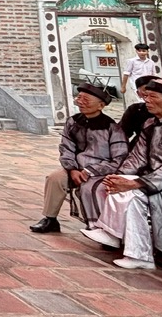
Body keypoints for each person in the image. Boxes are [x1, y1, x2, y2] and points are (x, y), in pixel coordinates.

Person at [82, 79, 162, 270]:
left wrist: (136, 184)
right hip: (155, 180)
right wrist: (119, 177)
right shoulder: (150, 123)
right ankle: (112, 234)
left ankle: (139, 254)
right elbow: (137, 157)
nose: (147, 100)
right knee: (118, 185)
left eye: (153, 96)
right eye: (146, 96)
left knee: (134, 195)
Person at [29, 83, 127, 233]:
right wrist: (72, 169)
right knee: (55, 178)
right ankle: (50, 219)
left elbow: (119, 158)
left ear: (101, 105)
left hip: (101, 171)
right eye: (79, 98)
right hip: (75, 168)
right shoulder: (72, 122)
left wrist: (90, 171)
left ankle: (99, 226)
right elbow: (66, 147)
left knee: (90, 188)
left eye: (86, 100)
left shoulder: (112, 128)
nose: (80, 102)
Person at [119, 75, 156, 143]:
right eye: (145, 92)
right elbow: (120, 133)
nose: (149, 97)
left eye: (153, 92)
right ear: (139, 94)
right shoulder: (135, 110)